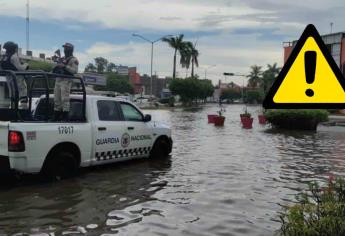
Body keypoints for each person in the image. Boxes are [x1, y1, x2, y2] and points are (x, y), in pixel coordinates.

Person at [53, 43, 79, 121]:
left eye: (66, 48)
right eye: (64, 48)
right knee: (57, 98)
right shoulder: (62, 58)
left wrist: (64, 66)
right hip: (58, 79)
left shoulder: (74, 59)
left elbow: (75, 71)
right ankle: (56, 116)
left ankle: (65, 116)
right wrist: (56, 63)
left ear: (70, 50)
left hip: (66, 80)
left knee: (64, 99)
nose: (65, 50)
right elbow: (57, 67)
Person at [0, 41, 29, 108]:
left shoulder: (4, 57)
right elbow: (20, 68)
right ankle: (23, 112)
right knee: (23, 94)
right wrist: (26, 64)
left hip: (9, 78)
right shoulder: (14, 56)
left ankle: (13, 110)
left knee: (12, 94)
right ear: (13, 48)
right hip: (18, 78)